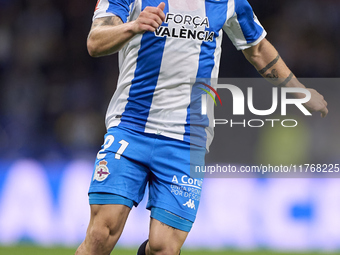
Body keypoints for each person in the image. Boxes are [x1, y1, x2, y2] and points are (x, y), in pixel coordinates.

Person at [75, 0, 328, 254]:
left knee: (164, 247)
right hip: (130, 127)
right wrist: (133, 26)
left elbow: (258, 48)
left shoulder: (229, 2)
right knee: (100, 234)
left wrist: (299, 91)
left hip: (186, 138)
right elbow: (95, 42)